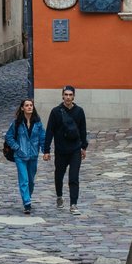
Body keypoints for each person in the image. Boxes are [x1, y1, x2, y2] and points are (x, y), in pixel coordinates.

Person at [43, 85, 88, 214]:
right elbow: (49, 131)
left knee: (74, 177)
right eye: (66, 95)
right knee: (59, 175)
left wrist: (84, 147)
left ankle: (73, 204)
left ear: (74, 96)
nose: (68, 97)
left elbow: (83, 130)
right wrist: (46, 150)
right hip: (61, 150)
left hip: (75, 150)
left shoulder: (79, 111)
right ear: (62, 96)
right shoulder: (56, 112)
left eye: (70, 95)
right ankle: (59, 196)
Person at [4, 97, 45, 214]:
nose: (29, 107)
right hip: (20, 156)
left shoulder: (37, 123)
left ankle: (28, 196)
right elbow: (9, 137)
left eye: (31, 105)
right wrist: (17, 148)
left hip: (33, 155)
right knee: (24, 179)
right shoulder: (16, 123)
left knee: (31, 181)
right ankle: (27, 203)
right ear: (22, 108)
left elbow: (42, 137)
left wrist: (45, 150)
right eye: (27, 105)